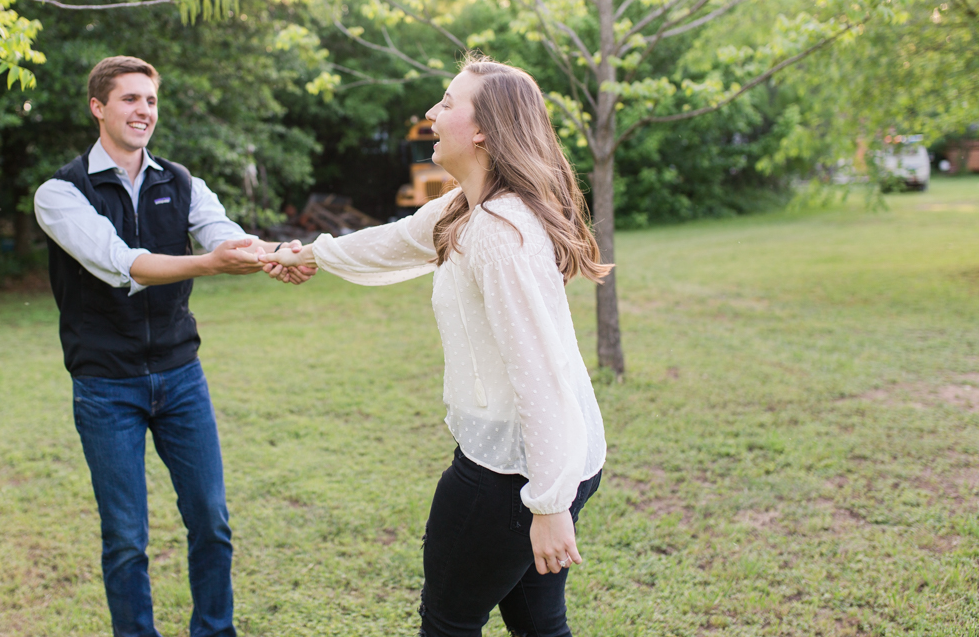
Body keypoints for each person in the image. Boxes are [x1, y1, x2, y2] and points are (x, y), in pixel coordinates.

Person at [262, 55, 611, 637]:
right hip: (551, 458)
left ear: (482, 130)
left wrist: (548, 504)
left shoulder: (500, 233)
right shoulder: (463, 210)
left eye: (447, 102)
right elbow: (393, 242)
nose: (431, 112)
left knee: (449, 623)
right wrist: (306, 254)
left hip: (514, 473)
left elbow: (540, 371)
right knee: (538, 626)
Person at [33, 56, 313, 637]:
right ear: (98, 107)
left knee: (211, 521)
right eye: (130, 99)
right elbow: (120, 265)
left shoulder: (179, 181)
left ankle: (215, 631)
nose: (143, 111)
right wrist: (211, 265)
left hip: (182, 377)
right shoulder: (60, 193)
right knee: (126, 538)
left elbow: (225, 234)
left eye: (151, 101)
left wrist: (274, 257)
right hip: (106, 386)